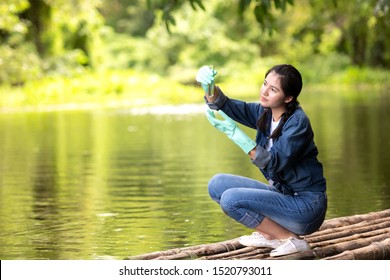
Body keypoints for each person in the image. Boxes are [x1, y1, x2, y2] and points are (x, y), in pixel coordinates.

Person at [195, 64, 327, 257]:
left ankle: (290, 239)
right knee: (217, 185)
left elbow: (274, 162)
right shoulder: (265, 112)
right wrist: (209, 87)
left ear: (288, 98)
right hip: (283, 194)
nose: (264, 91)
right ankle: (269, 234)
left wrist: (237, 136)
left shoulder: (297, 123)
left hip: (306, 207)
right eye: (265, 83)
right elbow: (226, 105)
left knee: (231, 200)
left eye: (273, 89)